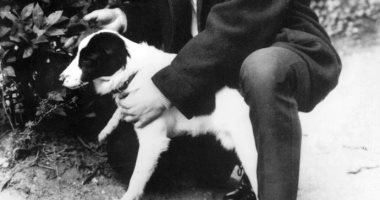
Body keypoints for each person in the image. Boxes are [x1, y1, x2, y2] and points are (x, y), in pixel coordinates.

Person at [84, 1, 341, 200]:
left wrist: (165, 90)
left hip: (276, 44)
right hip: (213, 72)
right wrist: (127, 17)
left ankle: (271, 190)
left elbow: (239, 23)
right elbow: (184, 9)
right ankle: (234, 160)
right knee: (127, 153)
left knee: (261, 70)